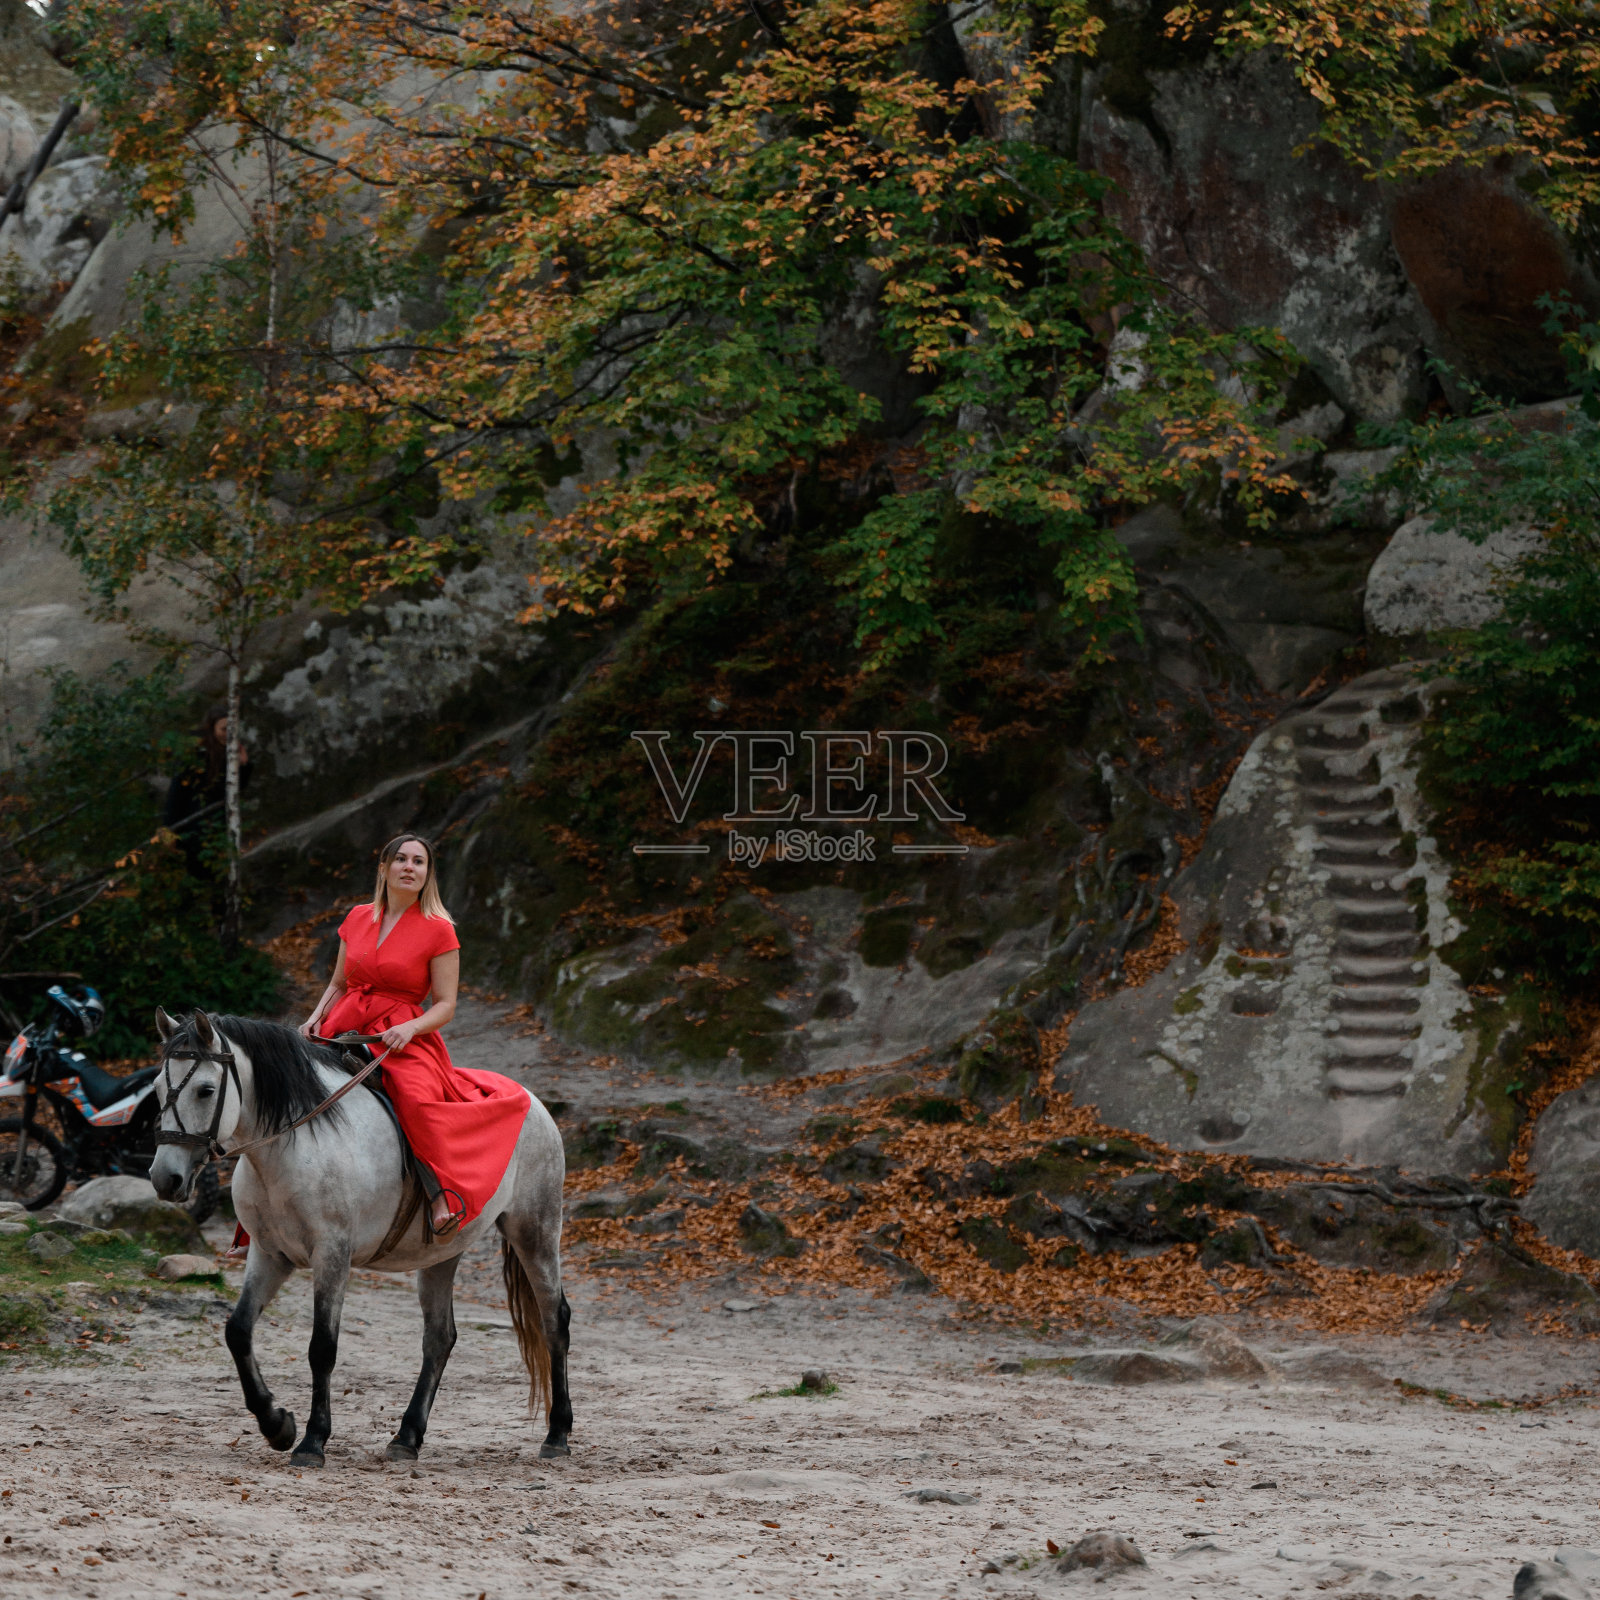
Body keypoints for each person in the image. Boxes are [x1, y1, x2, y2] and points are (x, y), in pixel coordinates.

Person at [228, 834, 528, 1257]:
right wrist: (315, 1019)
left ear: (428, 874)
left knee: (417, 1101)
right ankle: (255, 1221)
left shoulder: (440, 930)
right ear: (384, 869)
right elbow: (338, 982)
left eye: (419, 862)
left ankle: (440, 1192)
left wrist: (412, 1028)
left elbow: (445, 1006)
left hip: (402, 1033)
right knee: (282, 1088)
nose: (410, 867)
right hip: (344, 1021)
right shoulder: (356, 917)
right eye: (401, 859)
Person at [162, 706, 249, 877]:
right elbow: (176, 793)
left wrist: (243, 765)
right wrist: (168, 829)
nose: (229, 733)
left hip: (219, 824)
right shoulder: (195, 755)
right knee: (199, 873)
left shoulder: (232, 751)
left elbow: (235, 791)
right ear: (212, 729)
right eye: (224, 729)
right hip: (195, 825)